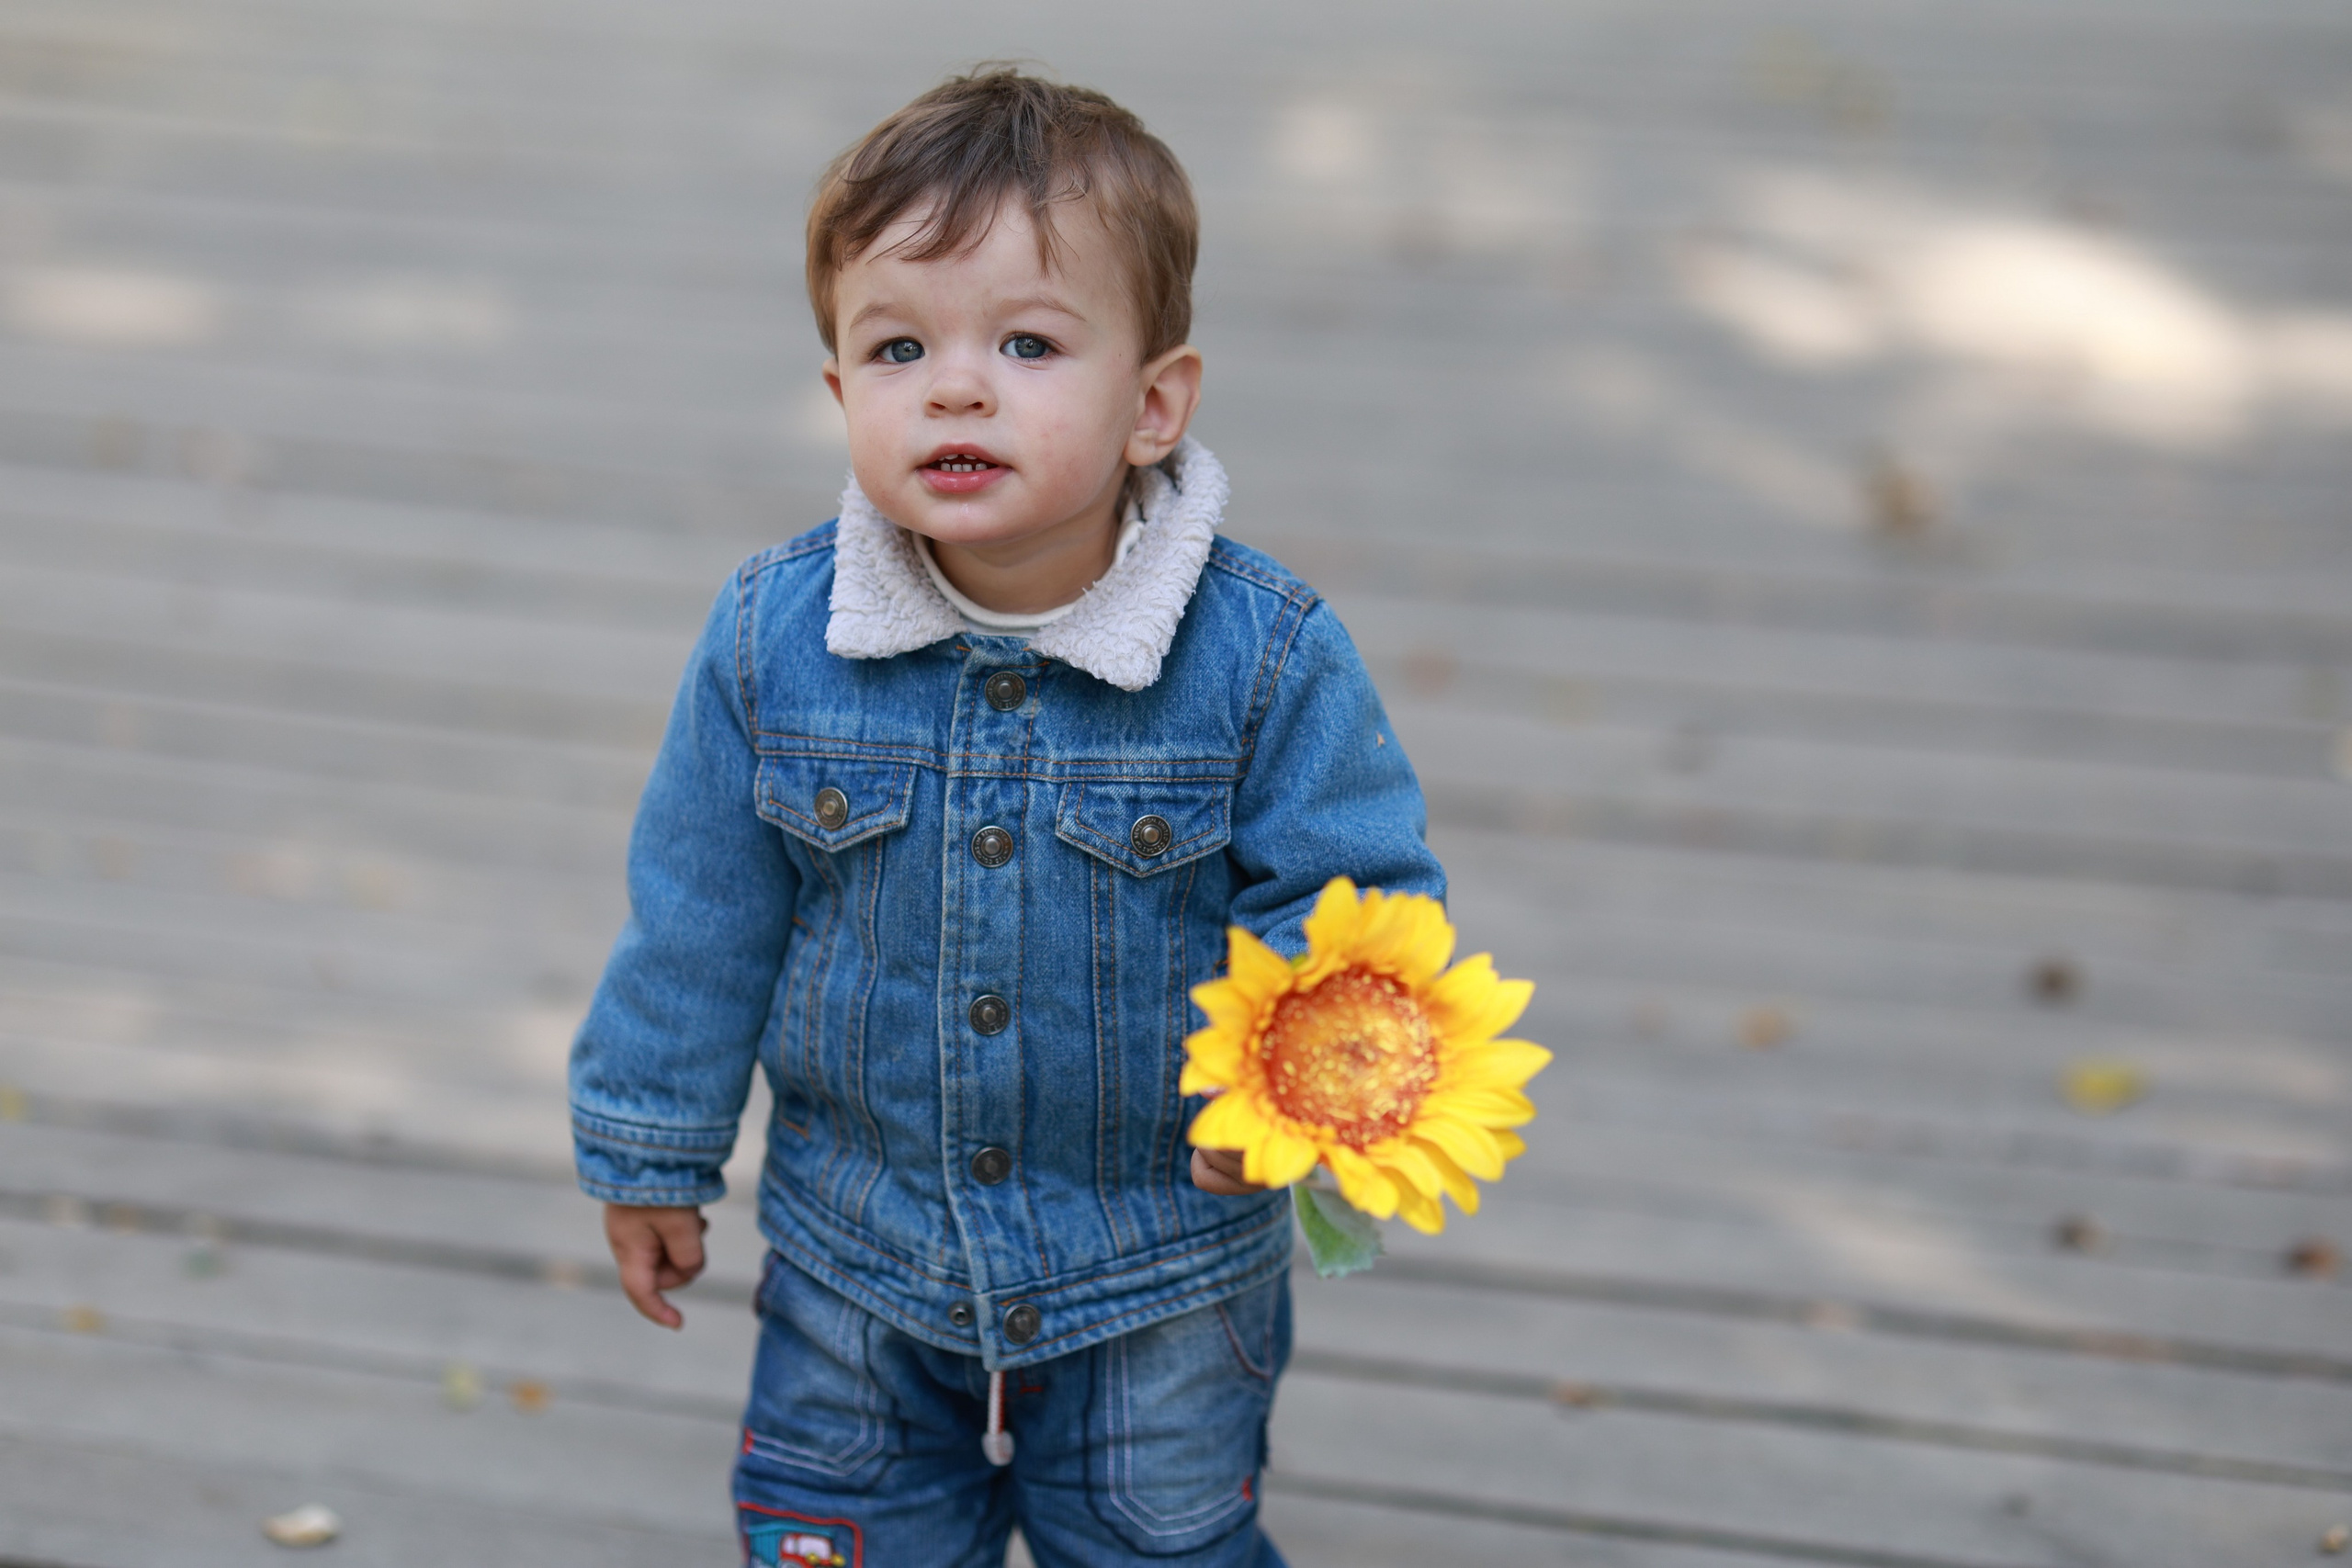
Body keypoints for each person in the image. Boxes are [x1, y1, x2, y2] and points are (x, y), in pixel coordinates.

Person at [569, 66, 1442, 1568]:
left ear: (1154, 403)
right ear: (843, 393)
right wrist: (652, 1147)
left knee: (1153, 1543)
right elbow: (702, 916)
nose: (956, 387)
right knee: (844, 1540)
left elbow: (1358, 899)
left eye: (1029, 344)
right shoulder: (772, 641)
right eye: (898, 347)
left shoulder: (1262, 660)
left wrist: (1287, 1090)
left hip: (1156, 1259)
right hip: (862, 1245)